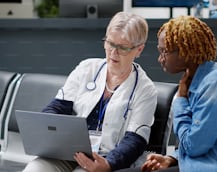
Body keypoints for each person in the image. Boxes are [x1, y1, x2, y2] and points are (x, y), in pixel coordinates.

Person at [118, 15, 217, 172]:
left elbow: (195, 146)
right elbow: (200, 140)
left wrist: (180, 100)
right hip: (202, 162)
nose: (160, 58)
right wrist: (172, 158)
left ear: (185, 51)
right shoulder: (195, 80)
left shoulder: (216, 82)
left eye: (164, 51)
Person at [23, 11, 158, 172]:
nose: (113, 53)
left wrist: (108, 165)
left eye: (122, 48)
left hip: (105, 159)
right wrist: (48, 134)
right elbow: (56, 108)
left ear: (139, 50)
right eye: (110, 44)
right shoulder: (87, 68)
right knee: (35, 169)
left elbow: (135, 140)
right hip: (68, 153)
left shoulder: (145, 89)